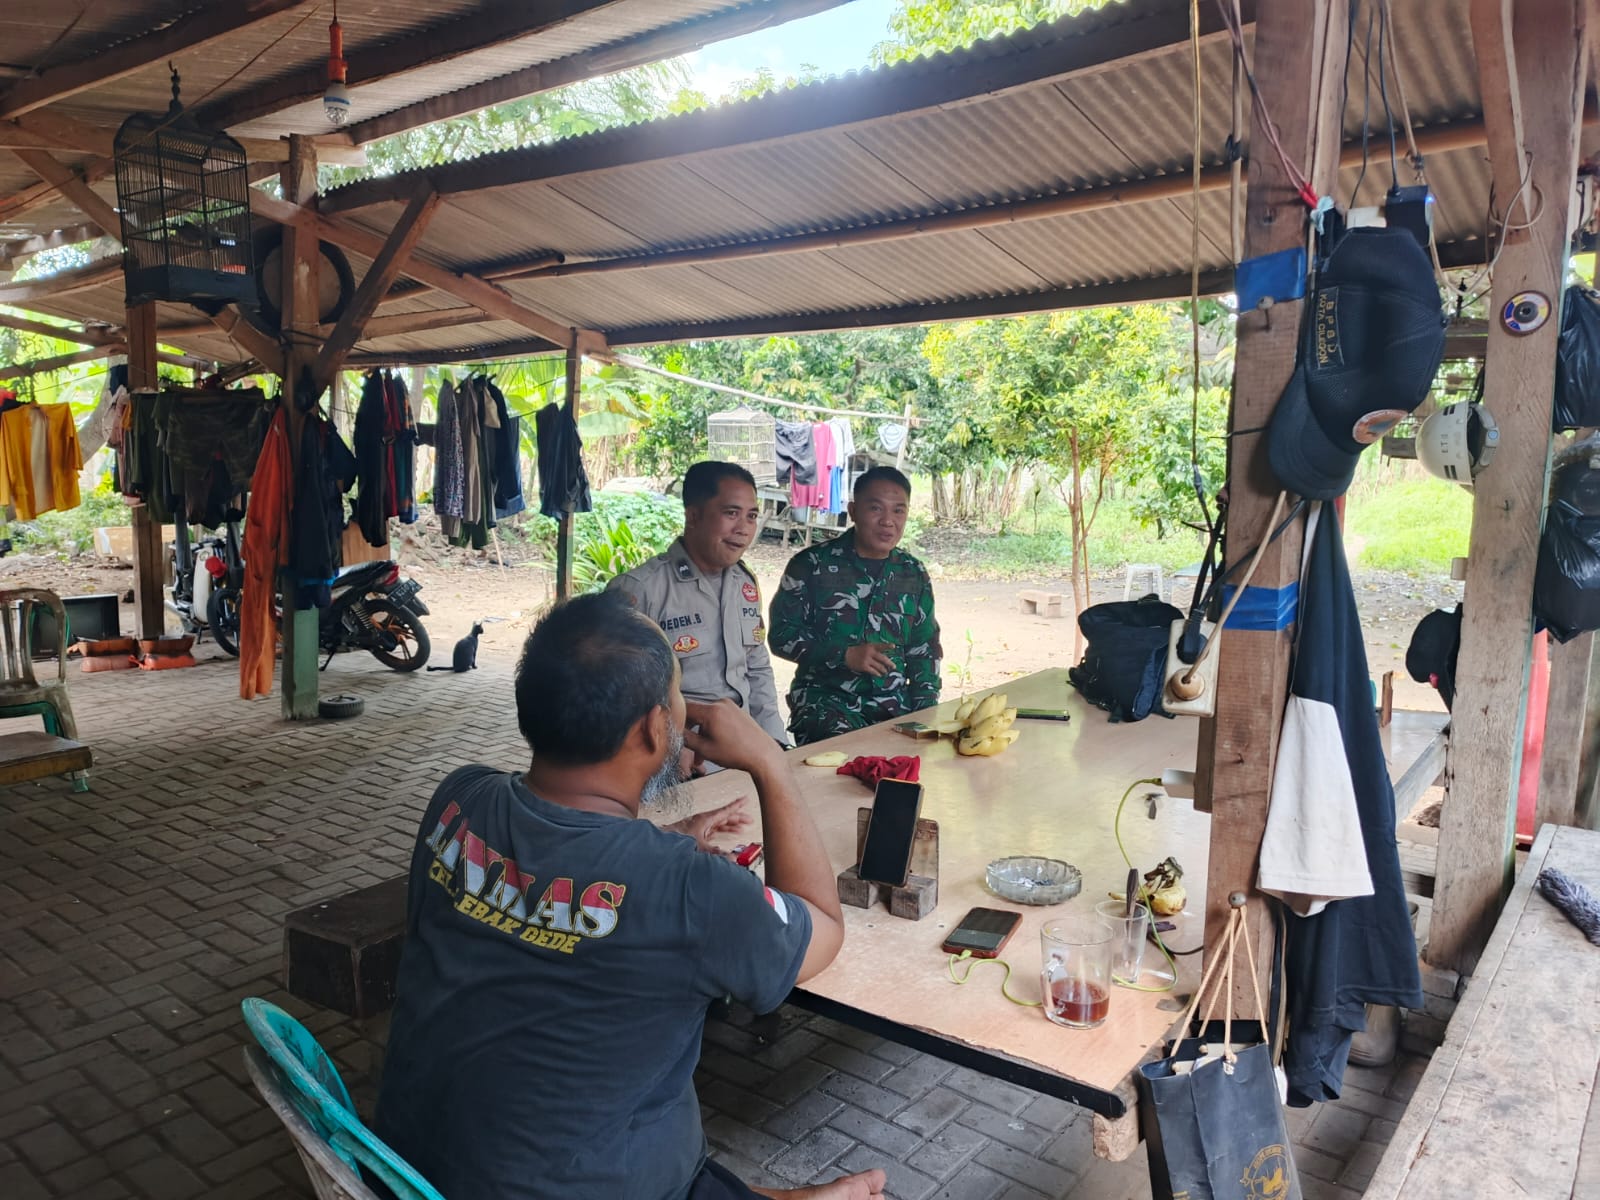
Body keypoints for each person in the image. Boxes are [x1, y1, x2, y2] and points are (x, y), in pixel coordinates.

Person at [373, 592, 884, 1200]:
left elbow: (551, 867)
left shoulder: (460, 798)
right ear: (651, 728)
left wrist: (662, 843)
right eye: (676, 695)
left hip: (410, 1168)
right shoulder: (694, 891)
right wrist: (770, 765)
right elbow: (821, 927)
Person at [609, 462, 788, 754]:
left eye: (752, 516)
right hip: (674, 753)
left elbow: (756, 666)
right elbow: (617, 693)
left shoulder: (743, 583)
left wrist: (775, 742)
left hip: (744, 746)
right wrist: (676, 746)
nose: (743, 529)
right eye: (731, 513)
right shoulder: (641, 589)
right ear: (693, 516)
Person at [768, 466, 941, 744]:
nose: (888, 521)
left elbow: (924, 649)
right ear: (853, 511)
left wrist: (927, 713)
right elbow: (781, 635)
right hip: (826, 704)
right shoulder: (811, 565)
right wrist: (844, 655)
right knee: (844, 759)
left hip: (893, 707)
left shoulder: (913, 572)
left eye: (898, 511)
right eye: (876, 508)